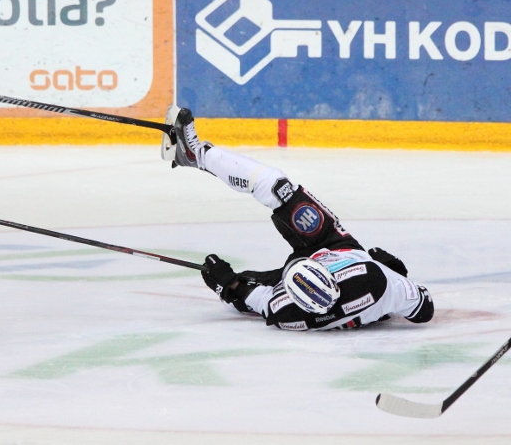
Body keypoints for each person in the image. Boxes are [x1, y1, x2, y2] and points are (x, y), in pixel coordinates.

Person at [162, 106, 434, 331]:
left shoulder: (288, 310)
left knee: (242, 286)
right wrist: (398, 276)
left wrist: (226, 284)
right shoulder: (380, 282)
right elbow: (425, 309)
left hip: (310, 279)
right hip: (339, 247)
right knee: (276, 186)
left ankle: (196, 156)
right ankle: (195, 155)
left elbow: (260, 300)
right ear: (329, 274)